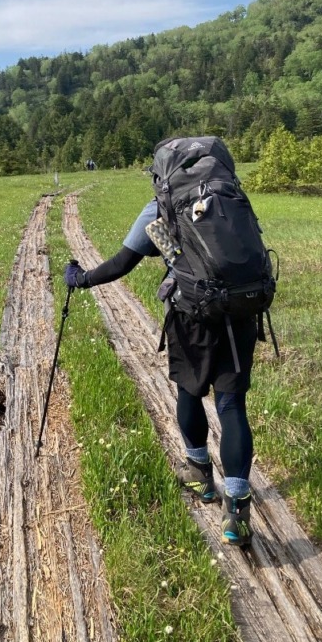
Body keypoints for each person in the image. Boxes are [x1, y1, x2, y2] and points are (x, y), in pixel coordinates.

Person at [64, 197, 258, 547]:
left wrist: (81, 279)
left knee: (189, 392)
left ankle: (199, 475)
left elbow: (123, 263)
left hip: (191, 316)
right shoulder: (231, 200)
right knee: (232, 406)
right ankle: (237, 513)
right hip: (239, 313)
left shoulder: (161, 208)